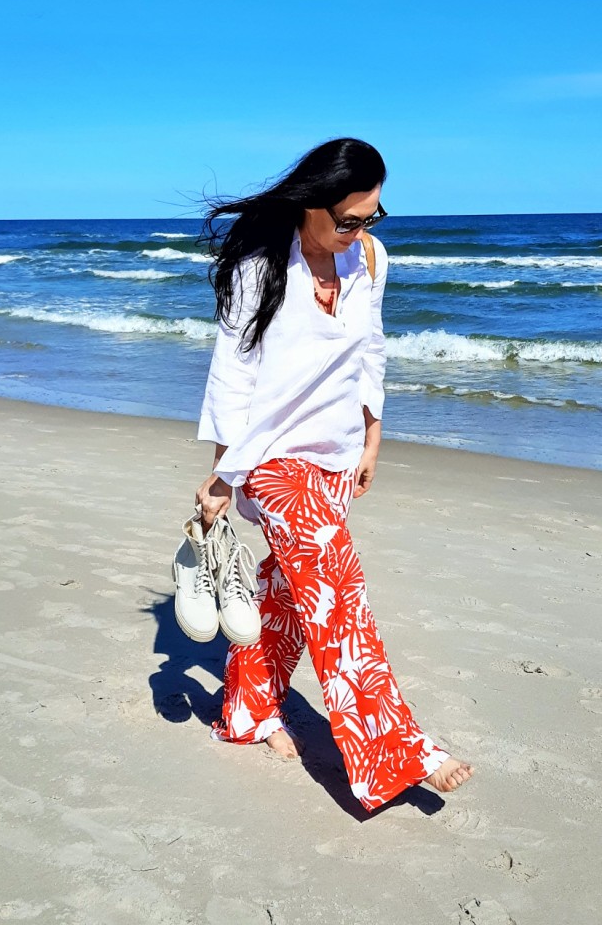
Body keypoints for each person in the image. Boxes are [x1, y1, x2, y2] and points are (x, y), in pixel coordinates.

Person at [194, 138, 474, 813]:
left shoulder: (369, 258)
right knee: (337, 596)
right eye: (348, 219)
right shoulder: (259, 267)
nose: (359, 230)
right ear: (310, 204)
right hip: (270, 458)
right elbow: (232, 377)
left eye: (370, 217)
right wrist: (222, 475)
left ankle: (247, 709)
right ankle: (400, 750)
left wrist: (373, 436)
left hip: (335, 454)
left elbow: (370, 351)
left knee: (290, 591)